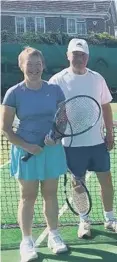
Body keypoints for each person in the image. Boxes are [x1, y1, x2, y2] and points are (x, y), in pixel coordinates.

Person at [49, 38, 117, 238]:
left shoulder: (97, 78)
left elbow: (106, 106)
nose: (79, 58)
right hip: (71, 144)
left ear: (88, 57)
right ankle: (84, 220)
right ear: (68, 55)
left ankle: (110, 219)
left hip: (97, 142)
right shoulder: (57, 80)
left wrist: (109, 133)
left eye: (83, 55)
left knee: (106, 180)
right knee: (78, 184)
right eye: (75, 54)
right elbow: (53, 111)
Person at [0, 47, 68, 261]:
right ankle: (26, 241)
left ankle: (54, 235)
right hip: (25, 150)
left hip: (52, 150)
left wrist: (56, 136)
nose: (34, 69)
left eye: (38, 65)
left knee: (50, 193)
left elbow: (62, 120)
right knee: (27, 196)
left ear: (43, 66)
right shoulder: (14, 93)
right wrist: (28, 147)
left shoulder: (55, 90)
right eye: (29, 64)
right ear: (21, 66)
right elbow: (6, 128)